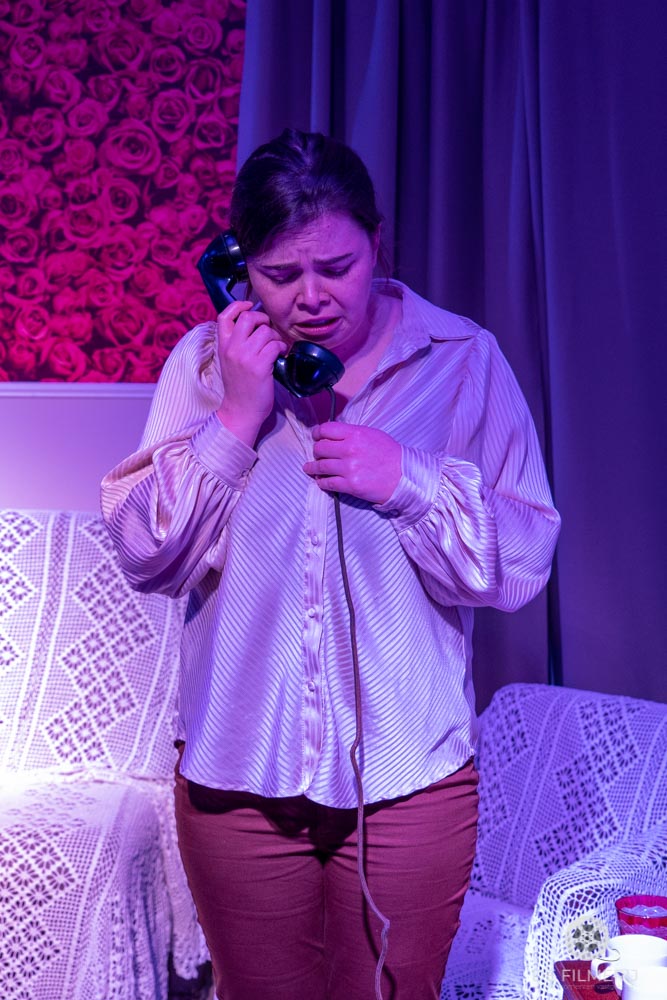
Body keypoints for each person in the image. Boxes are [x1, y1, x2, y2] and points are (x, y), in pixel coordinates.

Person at [101, 129, 560, 1000]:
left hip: (407, 782)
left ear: (376, 245)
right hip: (237, 781)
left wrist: (411, 480)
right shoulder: (202, 366)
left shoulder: (462, 362)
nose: (311, 298)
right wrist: (236, 420)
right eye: (279, 275)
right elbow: (146, 557)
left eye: (337, 268)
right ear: (239, 267)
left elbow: (522, 561)